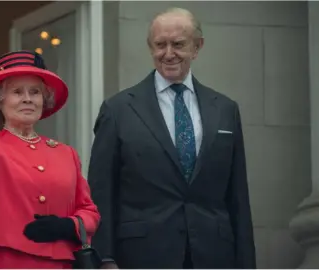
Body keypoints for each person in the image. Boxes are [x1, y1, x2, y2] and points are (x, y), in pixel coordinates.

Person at [88, 7, 256, 269]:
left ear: (197, 47)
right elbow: (101, 190)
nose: (168, 54)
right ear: (150, 47)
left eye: (178, 44)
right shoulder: (118, 109)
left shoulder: (225, 109)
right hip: (141, 256)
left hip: (214, 256)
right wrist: (104, 258)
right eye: (159, 45)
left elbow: (238, 197)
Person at [0, 25, 100, 269]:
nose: (28, 98)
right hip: (1, 260)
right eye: (17, 92)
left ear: (44, 100)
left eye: (35, 92)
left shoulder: (65, 154)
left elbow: (89, 211)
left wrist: (69, 226)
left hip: (58, 263)